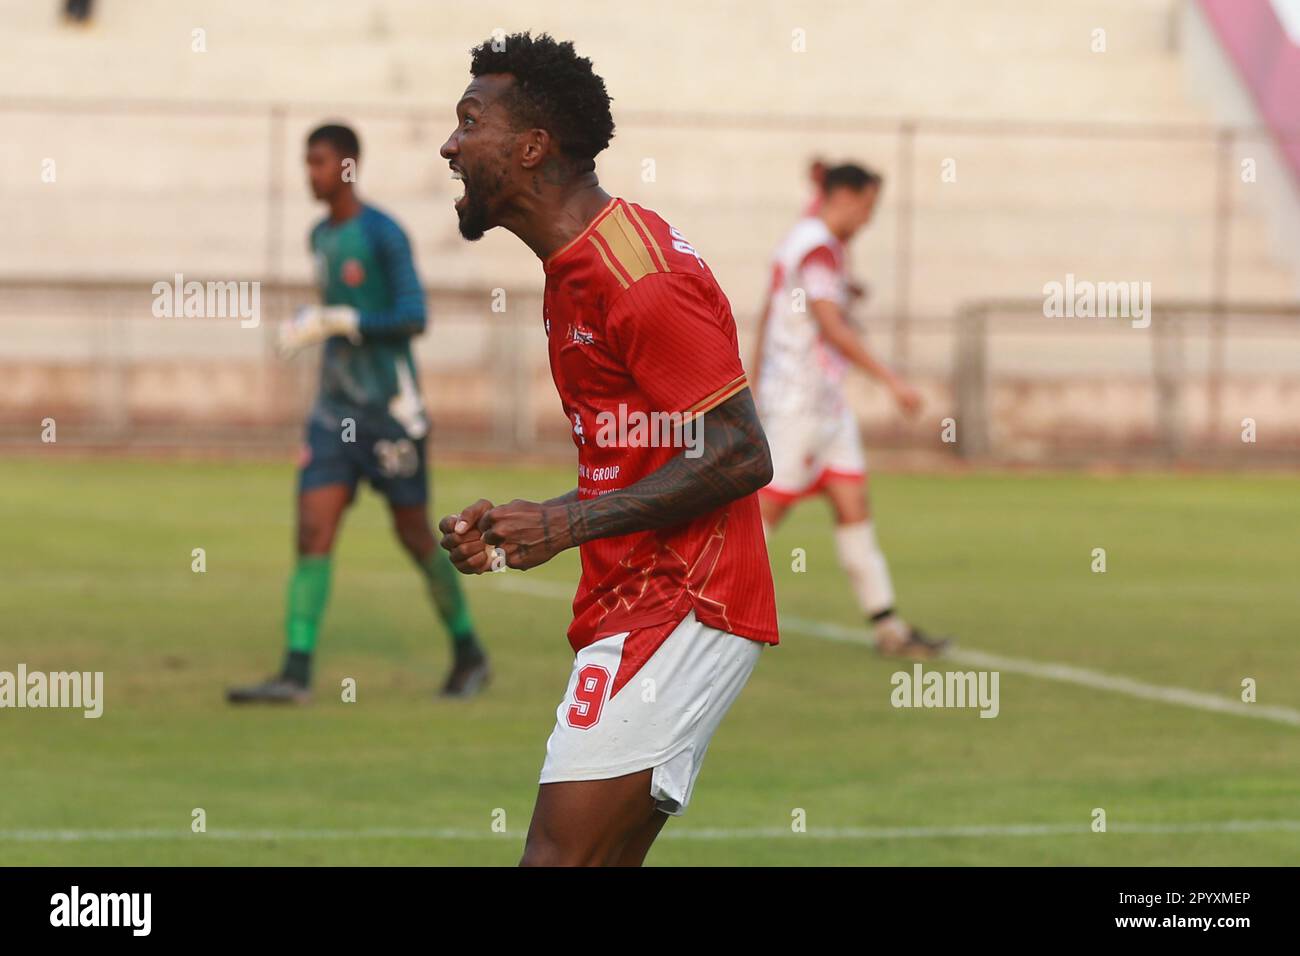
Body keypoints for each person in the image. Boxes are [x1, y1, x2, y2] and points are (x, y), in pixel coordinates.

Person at [436, 32, 778, 866]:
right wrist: (531, 523)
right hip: (633, 597)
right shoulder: (574, 268)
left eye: (467, 122)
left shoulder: (638, 272)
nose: (449, 147)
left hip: (684, 600)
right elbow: (644, 445)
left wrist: (566, 520)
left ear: (530, 146)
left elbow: (740, 452)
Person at [227, 123, 489, 704]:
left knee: (415, 534)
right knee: (313, 529)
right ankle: (295, 673)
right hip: (332, 412)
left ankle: (468, 650)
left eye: (319, 162)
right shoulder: (319, 235)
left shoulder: (383, 233)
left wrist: (343, 320)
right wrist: (312, 321)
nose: (310, 174)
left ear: (348, 166)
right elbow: (335, 311)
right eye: (307, 161)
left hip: (390, 414)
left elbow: (413, 316)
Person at [754, 162, 949, 659]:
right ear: (845, 197)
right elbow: (832, 328)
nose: (868, 219)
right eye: (867, 207)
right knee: (760, 518)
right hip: (799, 406)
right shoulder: (818, 248)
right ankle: (688, 611)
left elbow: (777, 309)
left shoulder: (809, 241)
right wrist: (893, 382)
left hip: (826, 407)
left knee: (853, 507)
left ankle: (889, 629)